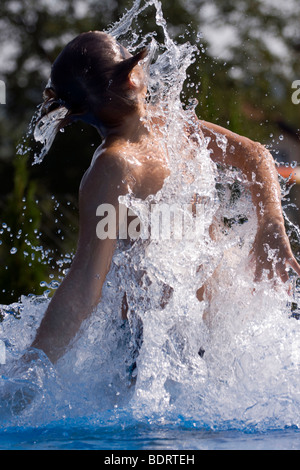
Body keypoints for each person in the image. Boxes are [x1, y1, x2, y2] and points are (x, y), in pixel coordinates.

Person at [31, 31, 300, 364]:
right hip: (153, 350)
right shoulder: (113, 168)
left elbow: (254, 155)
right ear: (132, 76)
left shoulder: (168, 124)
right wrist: (31, 372)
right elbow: (85, 284)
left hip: (220, 334)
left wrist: (270, 223)